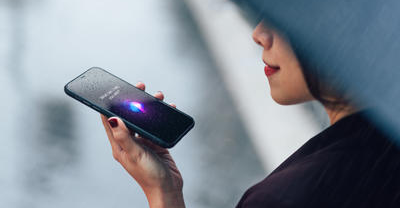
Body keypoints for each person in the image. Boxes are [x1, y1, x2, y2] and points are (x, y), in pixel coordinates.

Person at [100, 21, 400, 207]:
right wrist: (165, 189)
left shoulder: (284, 199)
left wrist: (159, 197)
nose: (259, 33)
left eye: (283, 16)